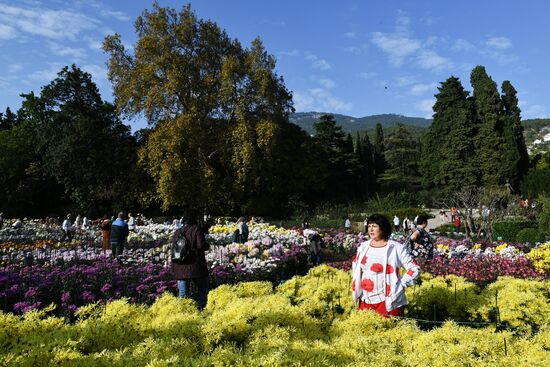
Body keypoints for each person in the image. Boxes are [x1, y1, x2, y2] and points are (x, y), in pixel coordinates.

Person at [351, 214, 420, 317]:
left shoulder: (396, 248)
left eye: (374, 226)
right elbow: (356, 268)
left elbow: (414, 269)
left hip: (389, 300)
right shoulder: (363, 247)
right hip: (365, 299)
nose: (371, 229)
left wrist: (401, 284)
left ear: (383, 228)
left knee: (389, 331)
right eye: (369, 226)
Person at [171, 210, 210, 310]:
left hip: (180, 266)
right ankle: (202, 308)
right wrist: (207, 245)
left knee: (183, 294)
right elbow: (201, 245)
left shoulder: (177, 231)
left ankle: (183, 313)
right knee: (202, 289)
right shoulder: (196, 230)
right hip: (195, 265)